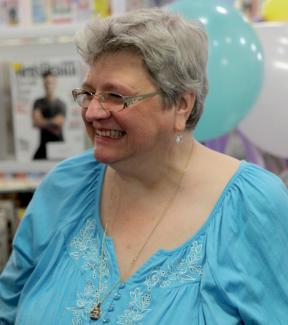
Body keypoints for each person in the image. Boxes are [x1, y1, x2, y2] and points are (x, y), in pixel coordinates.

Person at [0, 8, 288, 324]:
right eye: (88, 93)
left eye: (115, 96)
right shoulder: (65, 187)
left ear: (181, 104)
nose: (93, 112)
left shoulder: (252, 204)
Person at [32, 70, 66, 160]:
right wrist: (52, 124)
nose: (48, 85)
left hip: (58, 145)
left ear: (55, 83)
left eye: (50, 82)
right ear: (43, 84)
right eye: (46, 82)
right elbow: (36, 123)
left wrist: (42, 122)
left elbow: (59, 122)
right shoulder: (38, 102)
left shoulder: (61, 104)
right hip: (43, 145)